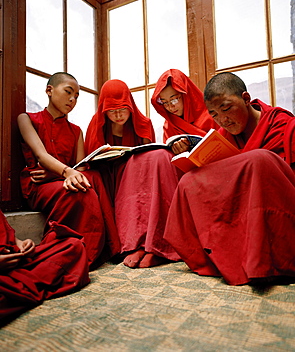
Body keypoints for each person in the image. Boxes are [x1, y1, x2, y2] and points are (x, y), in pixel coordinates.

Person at [164, 72, 295, 286]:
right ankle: (220, 256)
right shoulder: (223, 137)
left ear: (245, 99)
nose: (223, 120)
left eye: (226, 108)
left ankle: (262, 261)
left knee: (259, 160)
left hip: (276, 205)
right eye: (214, 115)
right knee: (190, 180)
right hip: (241, 203)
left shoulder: (282, 124)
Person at [115, 69, 217, 268]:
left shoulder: (209, 115)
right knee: (144, 160)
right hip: (180, 171)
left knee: (161, 161)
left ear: (186, 94)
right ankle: (142, 243)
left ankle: (160, 246)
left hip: (209, 171)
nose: (171, 106)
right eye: (165, 102)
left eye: (175, 99)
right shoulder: (168, 125)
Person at [17, 72, 120, 269]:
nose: (72, 99)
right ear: (49, 90)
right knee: (77, 191)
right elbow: (41, 155)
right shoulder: (27, 119)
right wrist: (64, 173)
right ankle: (77, 252)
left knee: (90, 182)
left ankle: (96, 250)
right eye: (68, 92)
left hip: (63, 178)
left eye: (77, 96)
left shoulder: (76, 130)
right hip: (38, 184)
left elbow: (80, 166)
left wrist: (59, 173)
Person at [0, 209, 89, 325]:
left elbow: (9, 235)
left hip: (16, 261)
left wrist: (23, 244)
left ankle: (20, 286)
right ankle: (21, 287)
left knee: (73, 245)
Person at [84, 79, 155, 201]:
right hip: (106, 176)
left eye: (123, 109)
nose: (118, 115)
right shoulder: (97, 124)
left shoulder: (143, 124)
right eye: (111, 111)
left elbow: (148, 159)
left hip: (134, 175)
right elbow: (90, 159)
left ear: (130, 105)